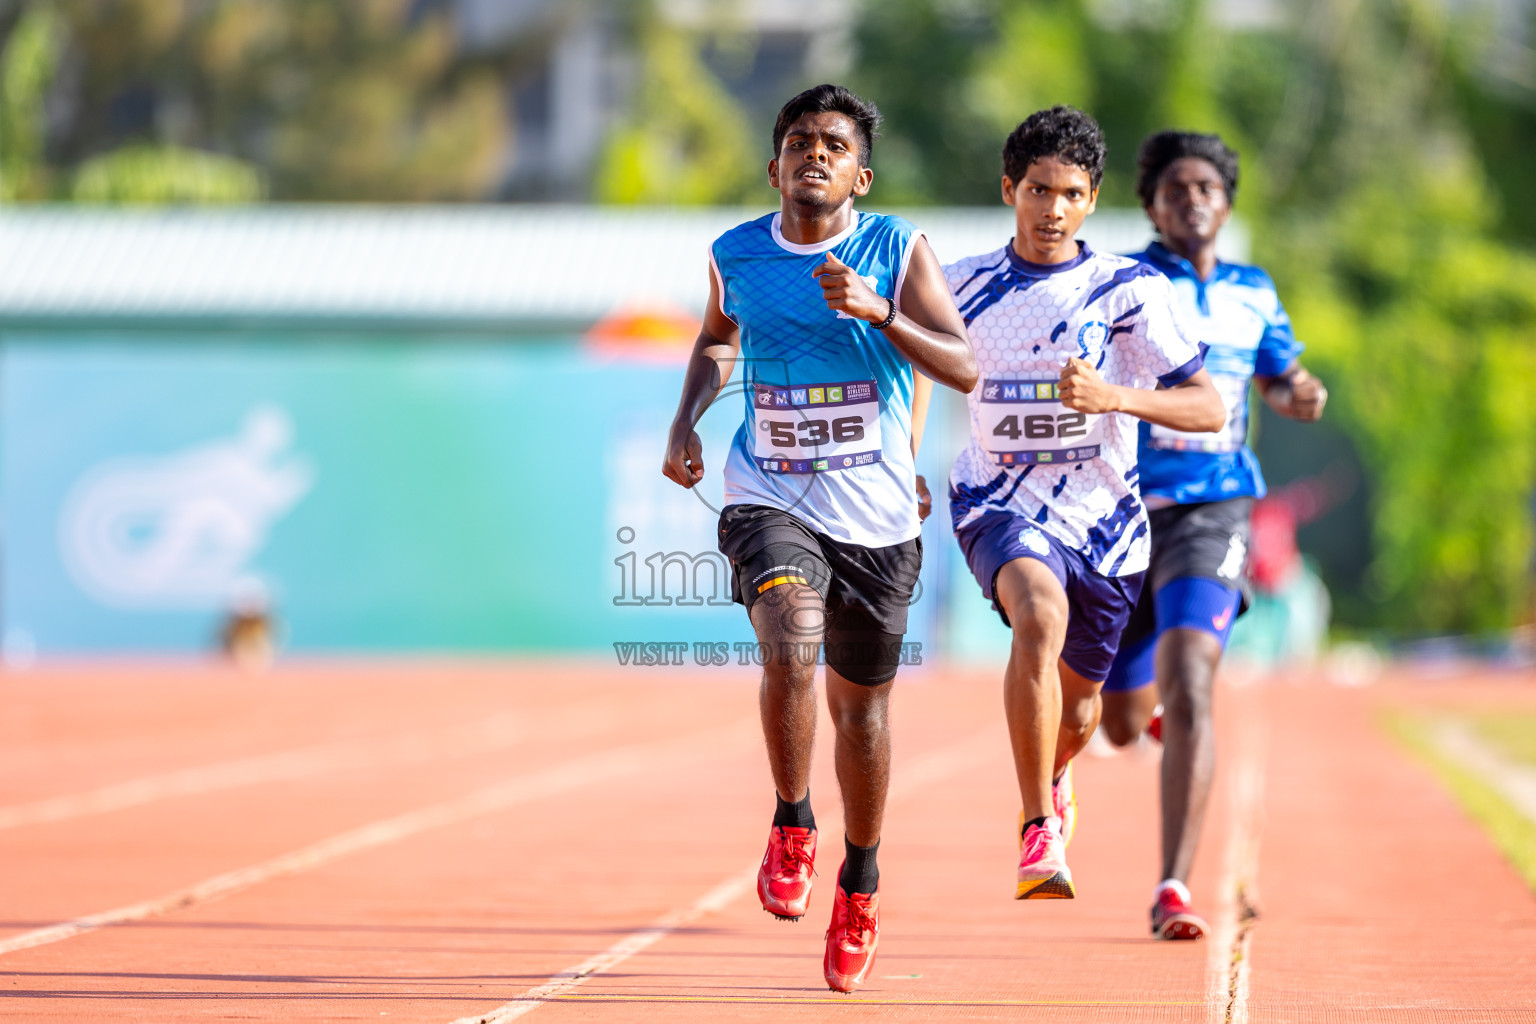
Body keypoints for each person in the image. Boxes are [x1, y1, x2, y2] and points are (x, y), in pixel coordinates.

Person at [661, 84, 976, 992]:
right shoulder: (737, 253)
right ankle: (793, 819)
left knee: (864, 715)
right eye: (800, 140)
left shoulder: (897, 249)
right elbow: (719, 340)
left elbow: (962, 366)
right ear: (774, 166)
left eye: (834, 144)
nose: (816, 153)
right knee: (790, 643)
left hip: (875, 518)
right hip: (768, 492)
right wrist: (688, 419)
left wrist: (882, 313)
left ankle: (861, 880)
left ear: (860, 175)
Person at [944, 107, 1225, 902]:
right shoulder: (961, 284)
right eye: (1037, 190)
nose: (1051, 209)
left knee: (1081, 712)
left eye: (1070, 193)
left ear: (1093, 199)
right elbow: (922, 368)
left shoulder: (1130, 290)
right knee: (1036, 613)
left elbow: (1208, 409)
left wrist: (1116, 396)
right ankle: (1038, 829)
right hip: (997, 503)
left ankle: (1058, 773)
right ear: (1010, 189)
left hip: (1105, 528)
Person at [1098, 130, 1328, 940]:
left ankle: (1172, 888)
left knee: (1193, 673)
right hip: (1121, 511)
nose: (1192, 199)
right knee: (1120, 724)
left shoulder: (1253, 290)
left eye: (1206, 187)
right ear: (1151, 205)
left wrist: (1299, 389)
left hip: (1217, 506)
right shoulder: (1120, 280)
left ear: (1227, 203)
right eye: (1175, 188)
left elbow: (1279, 371)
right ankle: (1147, 715)